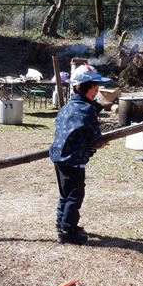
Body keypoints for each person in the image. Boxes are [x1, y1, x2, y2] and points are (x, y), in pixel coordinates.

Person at [49, 64, 110, 245]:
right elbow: (96, 138)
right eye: (93, 87)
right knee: (75, 195)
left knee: (65, 194)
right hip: (73, 160)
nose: (97, 90)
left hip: (59, 157)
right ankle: (67, 231)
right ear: (81, 87)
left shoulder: (68, 106)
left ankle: (63, 223)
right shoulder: (87, 109)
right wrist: (100, 143)